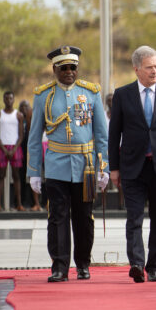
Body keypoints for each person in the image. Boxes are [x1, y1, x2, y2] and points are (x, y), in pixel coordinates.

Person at [27, 46, 109, 282]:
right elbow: (34, 136)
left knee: (84, 217)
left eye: (73, 67)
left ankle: (83, 263)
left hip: (86, 166)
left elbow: (102, 135)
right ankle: (60, 267)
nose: (69, 72)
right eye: (64, 68)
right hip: (56, 165)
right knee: (57, 216)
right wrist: (34, 171)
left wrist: (103, 166)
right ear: (55, 69)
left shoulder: (91, 93)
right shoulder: (44, 95)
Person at [108, 45, 156, 283]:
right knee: (134, 218)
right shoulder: (122, 95)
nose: (155, 71)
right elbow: (114, 134)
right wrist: (114, 167)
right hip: (132, 167)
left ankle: (154, 266)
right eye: (149, 67)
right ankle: (136, 264)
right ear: (137, 69)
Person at [0, 91, 25, 211]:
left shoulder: (19, 115)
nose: (8, 100)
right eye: (6, 98)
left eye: (10, 98)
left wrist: (14, 149)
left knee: (16, 176)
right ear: (3, 99)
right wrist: (4, 149)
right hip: (3, 147)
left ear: (14, 99)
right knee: (1, 176)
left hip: (15, 147)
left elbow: (21, 135)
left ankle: (19, 204)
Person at [18, 100, 41, 210]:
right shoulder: (20, 118)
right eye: (22, 106)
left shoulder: (36, 113)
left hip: (42, 145)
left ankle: (42, 202)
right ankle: (28, 202)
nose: (24, 109)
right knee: (28, 175)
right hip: (25, 148)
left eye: (26, 106)